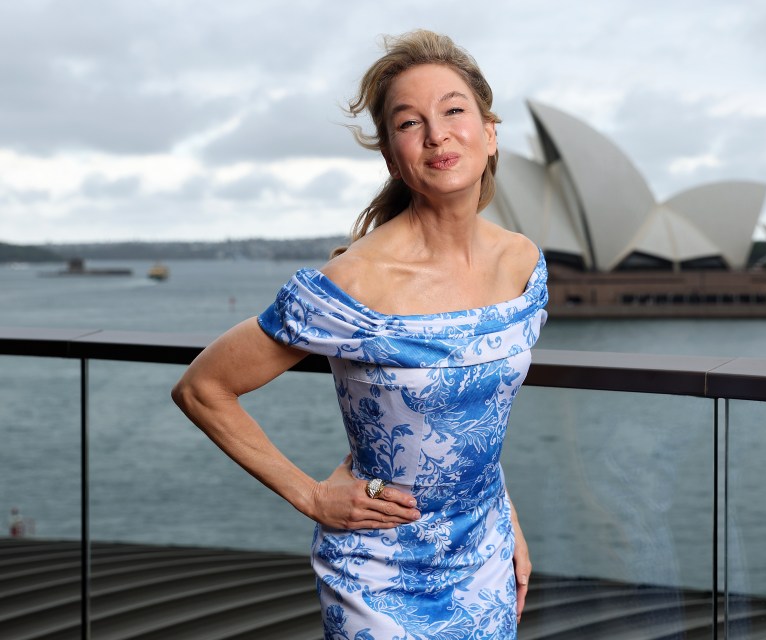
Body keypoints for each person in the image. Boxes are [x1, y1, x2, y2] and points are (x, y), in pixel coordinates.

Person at [172, 29, 548, 638]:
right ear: (391, 153)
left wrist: (508, 522)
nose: (437, 134)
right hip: (380, 572)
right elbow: (202, 389)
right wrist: (314, 497)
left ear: (490, 130)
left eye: (454, 110)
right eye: (408, 122)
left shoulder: (522, 264)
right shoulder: (355, 282)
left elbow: (475, 422)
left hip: (486, 560)